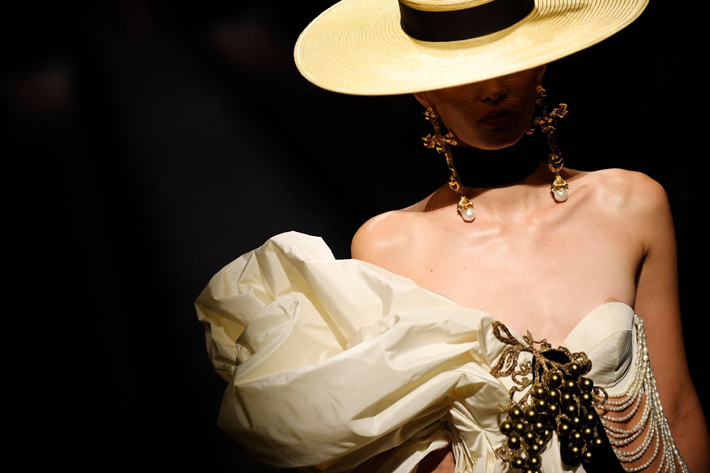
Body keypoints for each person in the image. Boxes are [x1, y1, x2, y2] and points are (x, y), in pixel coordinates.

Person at [196, 0, 710, 472]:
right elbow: (420, 451)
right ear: (422, 88)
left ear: (542, 63)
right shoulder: (389, 245)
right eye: (462, 70)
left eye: (508, 58)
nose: (491, 89)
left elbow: (677, 402)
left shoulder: (632, 205)